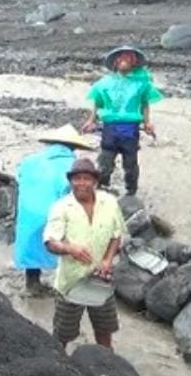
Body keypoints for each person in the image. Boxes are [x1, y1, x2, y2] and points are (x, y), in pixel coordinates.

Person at [44, 158, 125, 350]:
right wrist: (70, 249)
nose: (81, 183)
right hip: (71, 282)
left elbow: (117, 235)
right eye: (77, 178)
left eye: (86, 179)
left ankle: (108, 366)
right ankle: (59, 364)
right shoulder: (61, 207)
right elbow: (50, 241)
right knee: (62, 334)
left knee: (104, 331)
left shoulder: (110, 203)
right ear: (71, 181)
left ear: (95, 182)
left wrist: (107, 259)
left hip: (100, 279)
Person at [14, 125, 94, 295]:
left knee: (31, 247)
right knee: (69, 246)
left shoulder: (30, 161)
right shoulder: (73, 166)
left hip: (28, 212)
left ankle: (32, 284)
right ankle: (68, 285)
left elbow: (19, 178)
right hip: (53, 213)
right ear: (73, 147)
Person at [82, 45, 163, 196]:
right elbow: (97, 102)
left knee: (130, 164)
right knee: (105, 160)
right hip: (110, 128)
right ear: (116, 62)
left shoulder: (141, 83)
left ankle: (131, 192)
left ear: (134, 62)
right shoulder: (105, 83)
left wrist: (147, 123)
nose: (124, 60)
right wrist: (91, 120)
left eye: (128, 57)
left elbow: (145, 103)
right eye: (122, 58)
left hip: (130, 129)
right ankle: (102, 187)